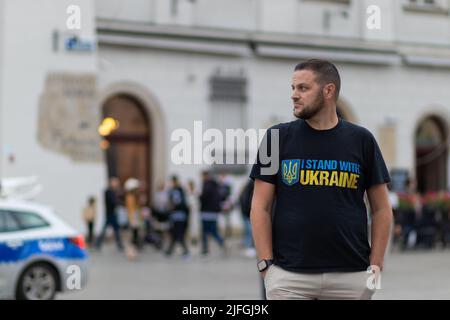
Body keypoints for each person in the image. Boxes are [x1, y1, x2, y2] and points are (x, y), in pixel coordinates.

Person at [250, 59, 393, 300]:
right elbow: (259, 207)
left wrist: (376, 267)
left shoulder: (362, 140)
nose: (294, 95)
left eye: (303, 88)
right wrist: (266, 266)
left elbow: (382, 209)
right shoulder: (276, 138)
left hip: (350, 276)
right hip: (289, 277)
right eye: (293, 88)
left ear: (328, 91)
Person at [200, 171, 226, 256]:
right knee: (213, 231)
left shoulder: (207, 185)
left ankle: (205, 249)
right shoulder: (216, 185)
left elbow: (204, 197)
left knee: (205, 232)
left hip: (206, 212)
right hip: (214, 212)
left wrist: (199, 196)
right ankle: (221, 242)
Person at [96, 177, 124, 251]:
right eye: (115, 182)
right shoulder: (108, 191)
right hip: (110, 213)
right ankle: (98, 243)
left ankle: (119, 244)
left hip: (113, 213)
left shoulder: (113, 191)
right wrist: (119, 201)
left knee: (115, 230)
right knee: (108, 230)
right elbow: (113, 201)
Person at [165, 175, 190, 258]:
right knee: (175, 234)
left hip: (179, 215)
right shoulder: (173, 191)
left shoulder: (178, 191)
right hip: (175, 215)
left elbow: (179, 203)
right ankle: (171, 250)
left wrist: (173, 206)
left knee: (179, 234)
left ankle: (183, 250)